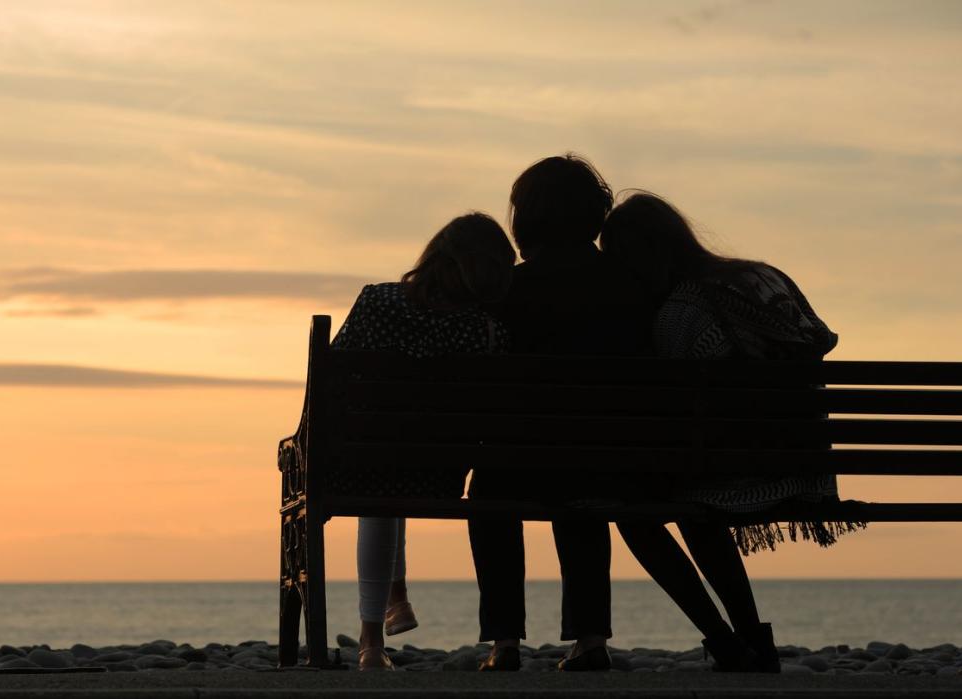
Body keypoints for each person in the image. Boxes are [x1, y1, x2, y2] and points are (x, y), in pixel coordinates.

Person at [599, 191, 862, 672]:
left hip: (743, 476)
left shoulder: (681, 312)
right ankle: (751, 639)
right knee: (694, 498)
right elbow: (819, 340)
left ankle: (726, 640)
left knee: (637, 511)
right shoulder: (763, 276)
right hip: (809, 466)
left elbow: (681, 416)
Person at [468, 155, 654, 672]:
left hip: (512, 460)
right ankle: (590, 639)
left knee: (490, 496)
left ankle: (504, 642)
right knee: (583, 498)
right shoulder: (627, 289)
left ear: (525, 219)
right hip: (598, 457)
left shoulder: (506, 291)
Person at [331, 212, 516, 671]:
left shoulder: (376, 303)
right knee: (393, 468)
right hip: (439, 474)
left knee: (379, 471)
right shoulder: (486, 329)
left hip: (364, 464)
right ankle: (396, 598)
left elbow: (333, 384)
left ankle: (371, 641)